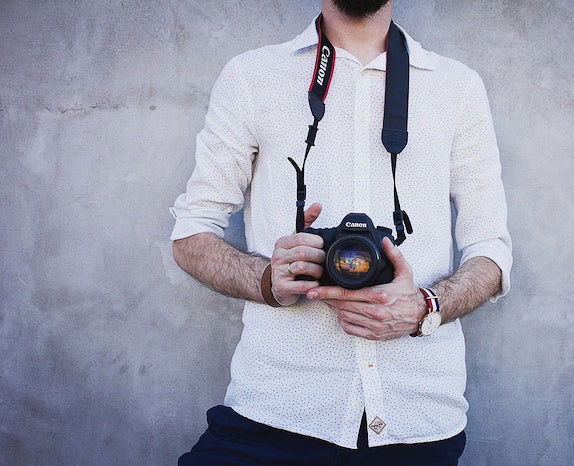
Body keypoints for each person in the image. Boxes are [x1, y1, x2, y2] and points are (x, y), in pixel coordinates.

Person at [170, 0, 512, 464]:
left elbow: (491, 248)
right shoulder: (252, 76)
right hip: (277, 409)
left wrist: (424, 308)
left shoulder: (457, 86)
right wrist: (268, 278)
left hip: (417, 416)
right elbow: (192, 232)